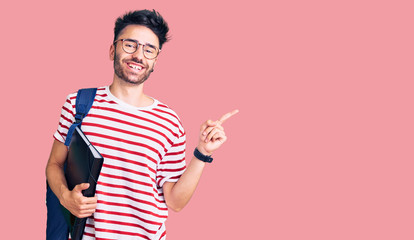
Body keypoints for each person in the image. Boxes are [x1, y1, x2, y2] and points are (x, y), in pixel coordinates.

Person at [45, 9, 238, 240]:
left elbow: (175, 202)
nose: (138, 55)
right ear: (112, 49)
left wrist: (202, 153)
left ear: (155, 60)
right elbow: (54, 164)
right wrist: (66, 197)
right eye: (130, 45)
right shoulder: (78, 104)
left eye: (149, 49)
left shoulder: (170, 122)